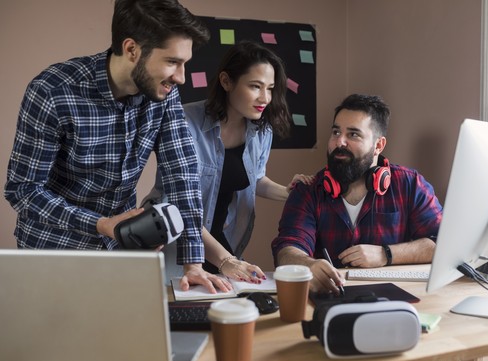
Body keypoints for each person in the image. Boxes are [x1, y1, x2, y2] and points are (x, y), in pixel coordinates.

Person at [4, 0, 231, 294]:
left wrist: (194, 265)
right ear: (131, 49)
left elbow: (182, 175)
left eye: (184, 63)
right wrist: (101, 224)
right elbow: (23, 190)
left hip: (120, 255)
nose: (180, 77)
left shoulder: (164, 93)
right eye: (172, 62)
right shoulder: (52, 92)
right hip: (52, 253)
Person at [144, 41, 313, 286]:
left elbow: (254, 179)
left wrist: (288, 193)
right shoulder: (183, 122)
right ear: (226, 81)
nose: (265, 98)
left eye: (270, 88)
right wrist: (226, 260)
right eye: (255, 86)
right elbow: (179, 203)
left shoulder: (261, 130)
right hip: (176, 240)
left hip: (224, 241)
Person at [271, 94, 443, 294]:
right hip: (330, 301)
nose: (340, 142)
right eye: (336, 132)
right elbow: (287, 249)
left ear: (378, 145)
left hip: (393, 301)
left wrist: (386, 254)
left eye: (353, 134)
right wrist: (308, 264)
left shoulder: (410, 184)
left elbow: (442, 244)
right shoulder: (308, 190)